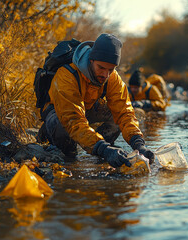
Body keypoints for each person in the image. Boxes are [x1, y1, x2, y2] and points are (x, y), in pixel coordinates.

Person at [39, 33, 155, 167]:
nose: (105, 75)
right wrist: (102, 149)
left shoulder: (112, 77)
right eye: (101, 67)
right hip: (61, 114)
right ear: (91, 60)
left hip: (87, 110)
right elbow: (73, 120)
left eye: (110, 69)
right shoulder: (67, 75)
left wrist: (139, 144)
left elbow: (124, 112)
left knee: (116, 117)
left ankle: (103, 148)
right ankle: (52, 137)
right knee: (69, 155)